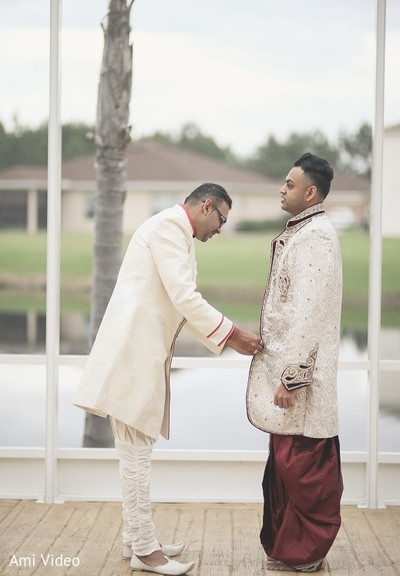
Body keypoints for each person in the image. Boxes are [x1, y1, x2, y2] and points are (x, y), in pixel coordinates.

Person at [73, 183, 263, 576]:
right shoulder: (169, 228)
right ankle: (144, 549)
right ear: (207, 206)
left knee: (134, 449)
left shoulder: (176, 229)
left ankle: (134, 538)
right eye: (222, 218)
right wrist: (232, 333)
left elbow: (181, 307)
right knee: (137, 452)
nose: (221, 228)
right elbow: (185, 297)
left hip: (139, 355)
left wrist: (225, 338)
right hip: (132, 355)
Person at [246, 153, 343, 573]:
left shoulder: (316, 237)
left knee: (302, 465)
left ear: (311, 192)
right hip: (285, 376)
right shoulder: (303, 231)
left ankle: (306, 555)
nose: (282, 190)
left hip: (299, 383)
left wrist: (291, 379)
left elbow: (309, 313)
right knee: (285, 464)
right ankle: (290, 549)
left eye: (289, 184)